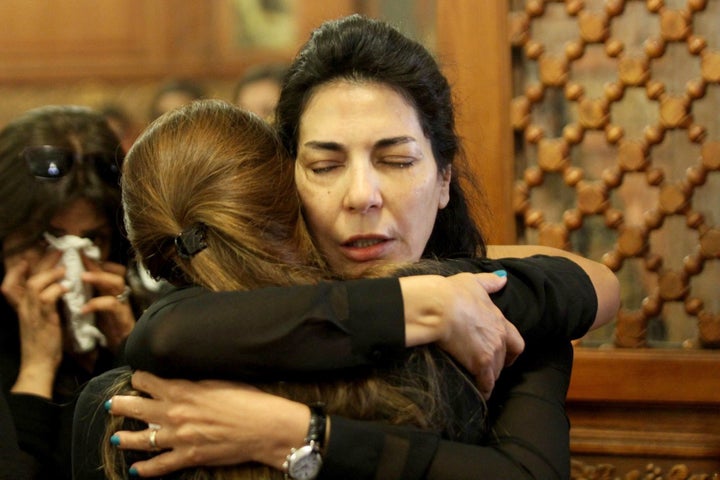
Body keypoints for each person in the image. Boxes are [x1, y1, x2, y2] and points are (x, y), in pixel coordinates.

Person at [80, 15, 619, 479]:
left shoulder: (497, 322)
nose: (362, 196)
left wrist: (297, 434)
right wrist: (420, 304)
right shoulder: (210, 332)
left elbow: (589, 285)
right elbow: (167, 329)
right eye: (325, 166)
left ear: (444, 177)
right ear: (286, 181)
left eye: (397, 160)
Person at [0, 105, 138, 479]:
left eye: (92, 239)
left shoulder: (140, 317)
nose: (69, 264)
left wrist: (131, 351)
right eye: (50, 240)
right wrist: (37, 370)